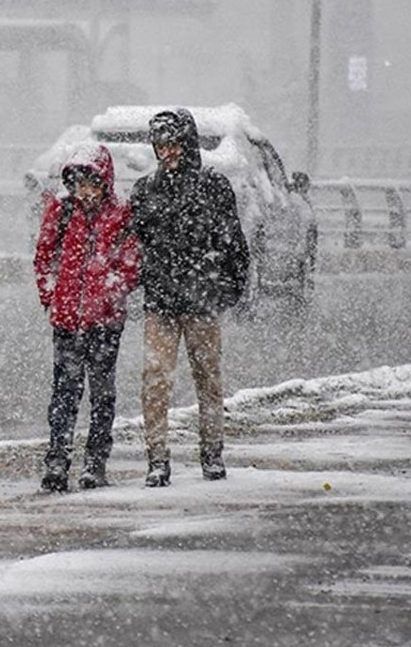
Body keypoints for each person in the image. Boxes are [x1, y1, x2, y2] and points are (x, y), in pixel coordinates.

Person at [129, 108, 250, 487]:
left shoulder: (213, 186)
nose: (166, 152)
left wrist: (225, 292)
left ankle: (211, 453)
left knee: (207, 378)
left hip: (200, 302)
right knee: (155, 380)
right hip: (162, 302)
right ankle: (157, 459)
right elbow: (134, 244)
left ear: (187, 143)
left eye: (172, 144)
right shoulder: (145, 190)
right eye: (160, 145)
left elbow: (233, 244)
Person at [33, 143, 140, 493]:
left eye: (92, 184)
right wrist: (52, 296)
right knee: (64, 394)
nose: (86, 192)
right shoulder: (62, 211)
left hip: (105, 323)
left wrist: (108, 295)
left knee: (102, 395)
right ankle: (57, 460)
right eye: (79, 184)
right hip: (67, 321)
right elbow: (44, 257)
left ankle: (95, 462)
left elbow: (130, 264)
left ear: (105, 182)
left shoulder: (121, 214)